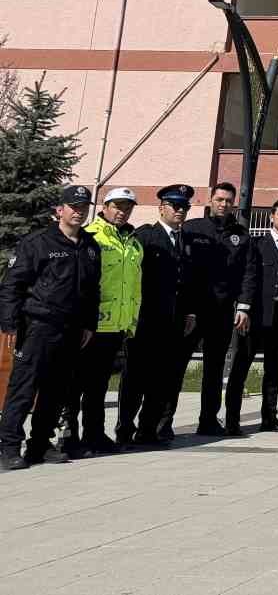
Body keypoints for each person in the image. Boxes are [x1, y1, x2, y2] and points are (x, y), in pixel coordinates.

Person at [0, 185, 99, 470]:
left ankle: (40, 444)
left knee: (56, 390)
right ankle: (8, 446)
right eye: (73, 207)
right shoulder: (38, 243)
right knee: (23, 388)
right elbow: (12, 286)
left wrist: (89, 325)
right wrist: (10, 324)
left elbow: (93, 290)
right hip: (38, 327)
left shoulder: (90, 247)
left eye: (83, 207)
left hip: (72, 329)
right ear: (60, 210)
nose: (79, 212)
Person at [62, 188, 143, 458]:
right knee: (75, 385)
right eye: (117, 206)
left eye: (128, 207)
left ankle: (94, 434)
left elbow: (133, 286)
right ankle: (70, 435)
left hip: (116, 326)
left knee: (98, 385)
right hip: (90, 325)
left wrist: (130, 321)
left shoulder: (133, 241)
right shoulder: (91, 237)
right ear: (105, 207)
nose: (123, 211)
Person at [121, 184, 199, 447]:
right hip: (146, 321)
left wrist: (189, 311)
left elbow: (187, 282)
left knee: (162, 380)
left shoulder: (186, 240)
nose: (180, 211)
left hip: (173, 322)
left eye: (184, 207)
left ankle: (148, 430)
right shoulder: (145, 237)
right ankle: (125, 430)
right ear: (161, 208)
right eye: (175, 206)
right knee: (136, 378)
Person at [176, 182, 249, 438]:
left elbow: (246, 272)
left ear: (234, 203)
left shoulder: (240, 233)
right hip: (192, 311)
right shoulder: (192, 228)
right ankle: (162, 423)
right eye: (219, 199)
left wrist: (244, 305)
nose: (224, 204)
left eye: (228, 201)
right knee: (177, 366)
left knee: (215, 369)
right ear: (210, 199)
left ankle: (208, 420)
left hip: (221, 311)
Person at [230, 199, 278, 434]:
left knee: (274, 370)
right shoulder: (256, 244)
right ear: (272, 217)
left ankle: (269, 418)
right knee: (241, 368)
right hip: (255, 316)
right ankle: (232, 420)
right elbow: (247, 278)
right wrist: (243, 308)